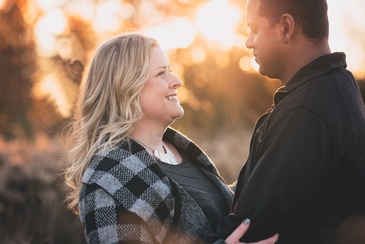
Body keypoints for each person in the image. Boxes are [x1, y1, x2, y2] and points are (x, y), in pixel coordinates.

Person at [64, 33, 278, 244]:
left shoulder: (183, 152)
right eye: (161, 74)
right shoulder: (107, 179)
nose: (176, 82)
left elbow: (212, 212)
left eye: (171, 71)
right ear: (126, 87)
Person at [208, 0, 365, 243]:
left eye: (255, 30)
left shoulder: (305, 110)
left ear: (285, 28)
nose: (248, 42)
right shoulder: (340, 86)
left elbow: (249, 228)